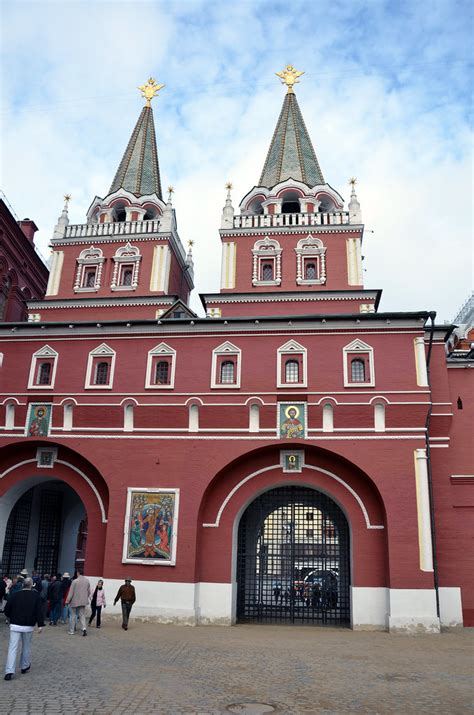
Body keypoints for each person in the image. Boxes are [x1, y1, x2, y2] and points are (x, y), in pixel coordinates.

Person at [4, 577, 44, 681]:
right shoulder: (36, 596)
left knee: (12, 648)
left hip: (15, 624)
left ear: (23, 585)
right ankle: (24, 665)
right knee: (26, 646)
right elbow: (39, 611)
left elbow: (7, 609)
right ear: (32, 585)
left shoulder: (15, 595)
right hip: (28, 625)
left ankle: (9, 671)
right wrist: (40, 625)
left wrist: (10, 617)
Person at [65, 570, 91, 636]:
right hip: (83, 601)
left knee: (73, 615)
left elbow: (71, 592)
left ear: (78, 573)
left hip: (74, 601)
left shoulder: (75, 581)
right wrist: (86, 597)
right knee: (82, 615)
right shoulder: (87, 581)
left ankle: (72, 630)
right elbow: (89, 591)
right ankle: (84, 628)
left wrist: (67, 601)